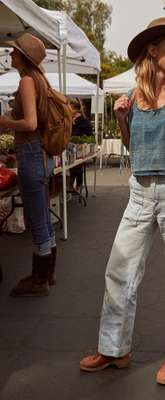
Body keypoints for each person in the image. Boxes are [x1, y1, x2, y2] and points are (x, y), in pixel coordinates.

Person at [79, 16, 165, 385]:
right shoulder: (136, 96)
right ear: (152, 50)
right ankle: (114, 349)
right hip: (139, 193)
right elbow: (135, 147)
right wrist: (123, 120)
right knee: (119, 272)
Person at [0, 33, 56, 296]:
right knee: (42, 215)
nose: (10, 55)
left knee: (36, 219)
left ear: (22, 56)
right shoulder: (40, 80)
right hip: (42, 153)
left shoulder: (26, 81)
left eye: (13, 52)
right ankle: (47, 274)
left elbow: (30, 124)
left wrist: (5, 121)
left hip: (31, 152)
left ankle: (39, 280)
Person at [69, 98, 93, 193]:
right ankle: (70, 187)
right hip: (70, 149)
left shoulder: (83, 121)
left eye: (69, 108)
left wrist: (81, 143)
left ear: (75, 110)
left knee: (76, 167)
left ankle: (76, 186)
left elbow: (89, 136)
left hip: (81, 150)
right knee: (71, 168)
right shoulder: (70, 121)